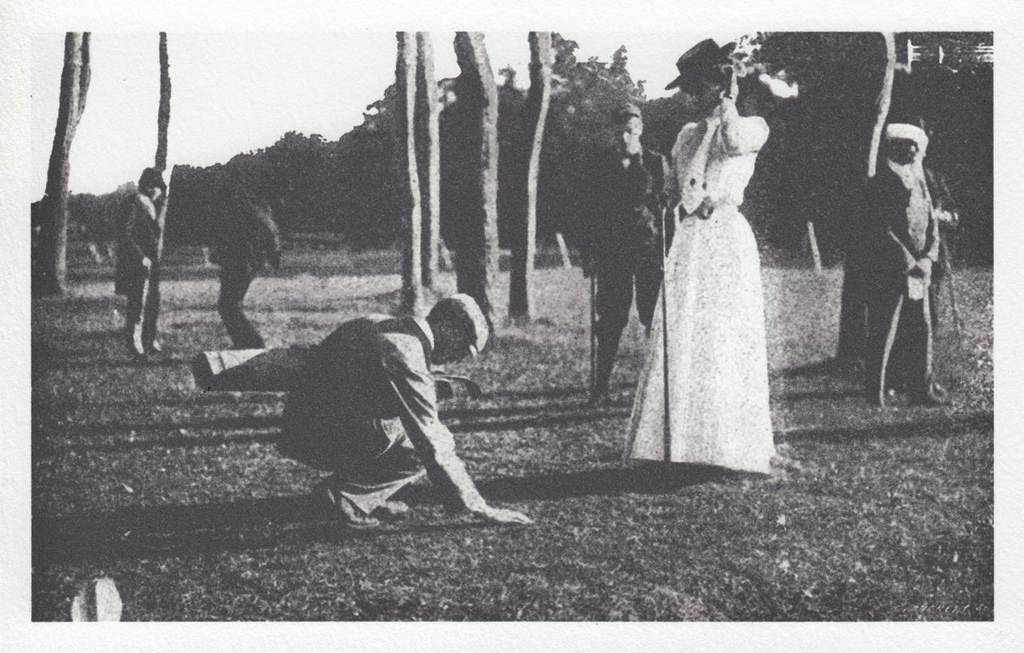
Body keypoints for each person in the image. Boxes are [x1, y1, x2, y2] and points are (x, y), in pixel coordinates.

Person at [624, 39, 776, 474]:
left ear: (718, 84)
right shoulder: (687, 134)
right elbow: (674, 188)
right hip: (691, 238)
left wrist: (729, 100)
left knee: (724, 335)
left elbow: (730, 142)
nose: (689, 96)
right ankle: (681, 444)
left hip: (726, 236)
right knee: (687, 331)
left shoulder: (753, 126)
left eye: (696, 86)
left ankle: (726, 446)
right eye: (687, 88)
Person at [278, 294, 533, 528]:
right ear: (448, 327)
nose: (461, 357)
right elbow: (429, 435)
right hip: (318, 434)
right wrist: (479, 505)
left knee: (396, 429)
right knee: (424, 444)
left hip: (302, 423)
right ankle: (344, 498)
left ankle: (366, 497)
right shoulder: (406, 350)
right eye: (465, 347)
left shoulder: (385, 323)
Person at [577, 103, 671, 405]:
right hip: (611, 252)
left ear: (640, 130)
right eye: (618, 131)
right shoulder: (598, 164)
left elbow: (665, 210)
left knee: (651, 315)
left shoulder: (655, 163)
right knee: (611, 319)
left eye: (630, 131)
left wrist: (669, 251)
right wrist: (588, 252)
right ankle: (601, 386)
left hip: (648, 250)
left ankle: (657, 385)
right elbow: (587, 211)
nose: (624, 137)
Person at [863, 123, 948, 407]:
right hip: (889, 270)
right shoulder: (878, 183)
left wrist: (927, 259)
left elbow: (931, 225)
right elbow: (879, 228)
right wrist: (909, 261)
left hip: (918, 271)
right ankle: (874, 392)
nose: (915, 153)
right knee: (883, 330)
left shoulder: (921, 180)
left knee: (920, 328)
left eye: (917, 147)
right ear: (896, 148)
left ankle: (921, 389)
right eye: (909, 146)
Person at [208, 197, 282, 349]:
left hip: (240, 262)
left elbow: (228, 239)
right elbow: (272, 233)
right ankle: (246, 343)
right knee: (231, 305)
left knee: (228, 306)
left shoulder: (241, 209)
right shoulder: (258, 210)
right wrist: (273, 255)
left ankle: (251, 343)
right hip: (248, 262)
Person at [115, 167, 167, 358]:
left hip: (153, 263)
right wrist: (140, 257)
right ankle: (135, 343)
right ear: (147, 186)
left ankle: (149, 340)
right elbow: (125, 234)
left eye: (159, 188)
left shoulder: (154, 206)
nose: (157, 191)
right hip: (138, 263)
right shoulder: (136, 202)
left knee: (153, 303)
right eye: (154, 187)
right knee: (138, 304)